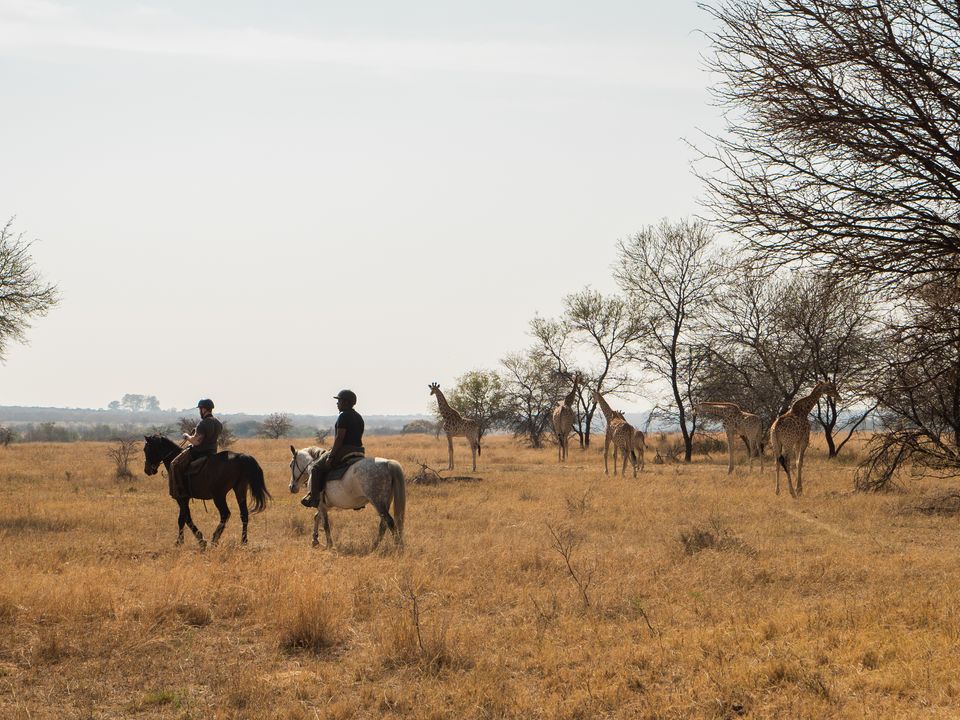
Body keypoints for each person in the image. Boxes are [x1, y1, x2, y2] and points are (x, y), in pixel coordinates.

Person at [301, 389, 365, 507]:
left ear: (346, 402)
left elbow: (339, 438)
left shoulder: (343, 416)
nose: (337, 404)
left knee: (315, 467)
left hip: (345, 450)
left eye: (339, 401)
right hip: (359, 450)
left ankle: (314, 499)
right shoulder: (359, 417)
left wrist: (331, 456)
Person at [169, 399, 223, 498]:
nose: (200, 411)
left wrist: (186, 436)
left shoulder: (202, 424)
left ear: (204, 409)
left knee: (174, 464)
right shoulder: (218, 423)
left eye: (200, 409)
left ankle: (180, 492)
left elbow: (196, 442)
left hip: (199, 452)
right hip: (212, 451)